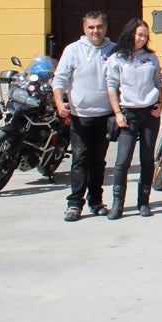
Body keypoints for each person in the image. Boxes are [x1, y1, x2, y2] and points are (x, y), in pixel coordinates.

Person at [53, 11, 117, 221]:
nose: (95, 31)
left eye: (99, 26)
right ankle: (74, 204)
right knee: (80, 160)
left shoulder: (114, 50)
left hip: (105, 115)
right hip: (80, 116)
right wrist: (59, 103)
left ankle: (96, 201)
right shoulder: (72, 50)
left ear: (105, 27)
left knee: (99, 161)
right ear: (84, 29)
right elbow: (60, 79)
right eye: (91, 27)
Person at [105, 18, 162, 219]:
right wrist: (118, 113)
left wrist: (160, 104)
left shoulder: (151, 58)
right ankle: (117, 204)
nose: (142, 38)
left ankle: (143, 202)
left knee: (147, 159)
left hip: (148, 114)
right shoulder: (118, 58)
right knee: (122, 161)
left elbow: (158, 82)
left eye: (145, 36)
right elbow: (112, 87)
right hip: (127, 113)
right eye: (139, 34)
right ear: (130, 34)